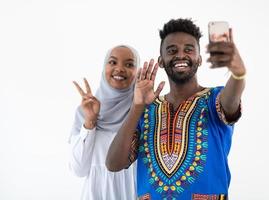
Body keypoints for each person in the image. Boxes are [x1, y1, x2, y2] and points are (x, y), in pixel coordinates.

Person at [106, 18, 246, 200]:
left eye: (189, 50)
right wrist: (136, 107)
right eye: (172, 51)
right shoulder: (147, 111)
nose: (181, 55)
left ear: (199, 59)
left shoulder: (214, 100)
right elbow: (113, 163)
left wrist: (238, 74)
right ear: (161, 61)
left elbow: (230, 101)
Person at [69, 45, 140, 200]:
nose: (120, 69)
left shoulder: (143, 111)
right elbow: (78, 170)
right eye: (113, 62)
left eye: (129, 64)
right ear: (104, 68)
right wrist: (90, 121)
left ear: (137, 72)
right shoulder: (85, 111)